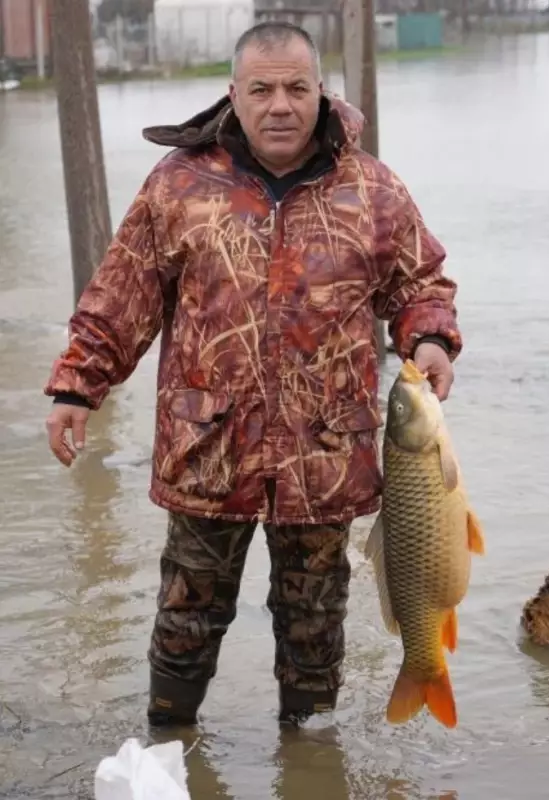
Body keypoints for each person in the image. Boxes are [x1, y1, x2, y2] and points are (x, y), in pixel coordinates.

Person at [42, 21, 462, 727]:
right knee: (185, 622)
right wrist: (75, 387)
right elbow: (121, 296)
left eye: (296, 88)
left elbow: (422, 283)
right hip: (208, 453)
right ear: (233, 94)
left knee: (314, 633)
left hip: (325, 458)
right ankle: (168, 750)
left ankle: (308, 761)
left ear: (319, 92)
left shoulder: (373, 188)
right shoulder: (179, 184)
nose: (280, 105)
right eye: (261, 89)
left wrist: (430, 340)